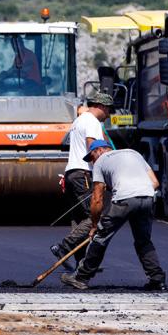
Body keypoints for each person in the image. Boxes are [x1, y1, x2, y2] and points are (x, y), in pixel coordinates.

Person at [61, 140, 166, 291]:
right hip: (148, 198)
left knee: (100, 238)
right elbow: (155, 182)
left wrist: (94, 225)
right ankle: (157, 279)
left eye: (91, 157)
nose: (92, 162)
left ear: (99, 150)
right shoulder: (133, 153)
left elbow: (97, 198)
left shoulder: (101, 162)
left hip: (124, 200)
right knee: (143, 241)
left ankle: (80, 278)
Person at [50, 92, 113, 268]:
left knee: (78, 219)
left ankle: (80, 262)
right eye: (108, 109)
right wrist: (105, 173)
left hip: (72, 173)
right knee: (94, 216)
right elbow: (92, 148)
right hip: (84, 173)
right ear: (101, 106)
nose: (109, 114)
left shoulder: (79, 120)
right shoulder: (92, 122)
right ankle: (63, 246)